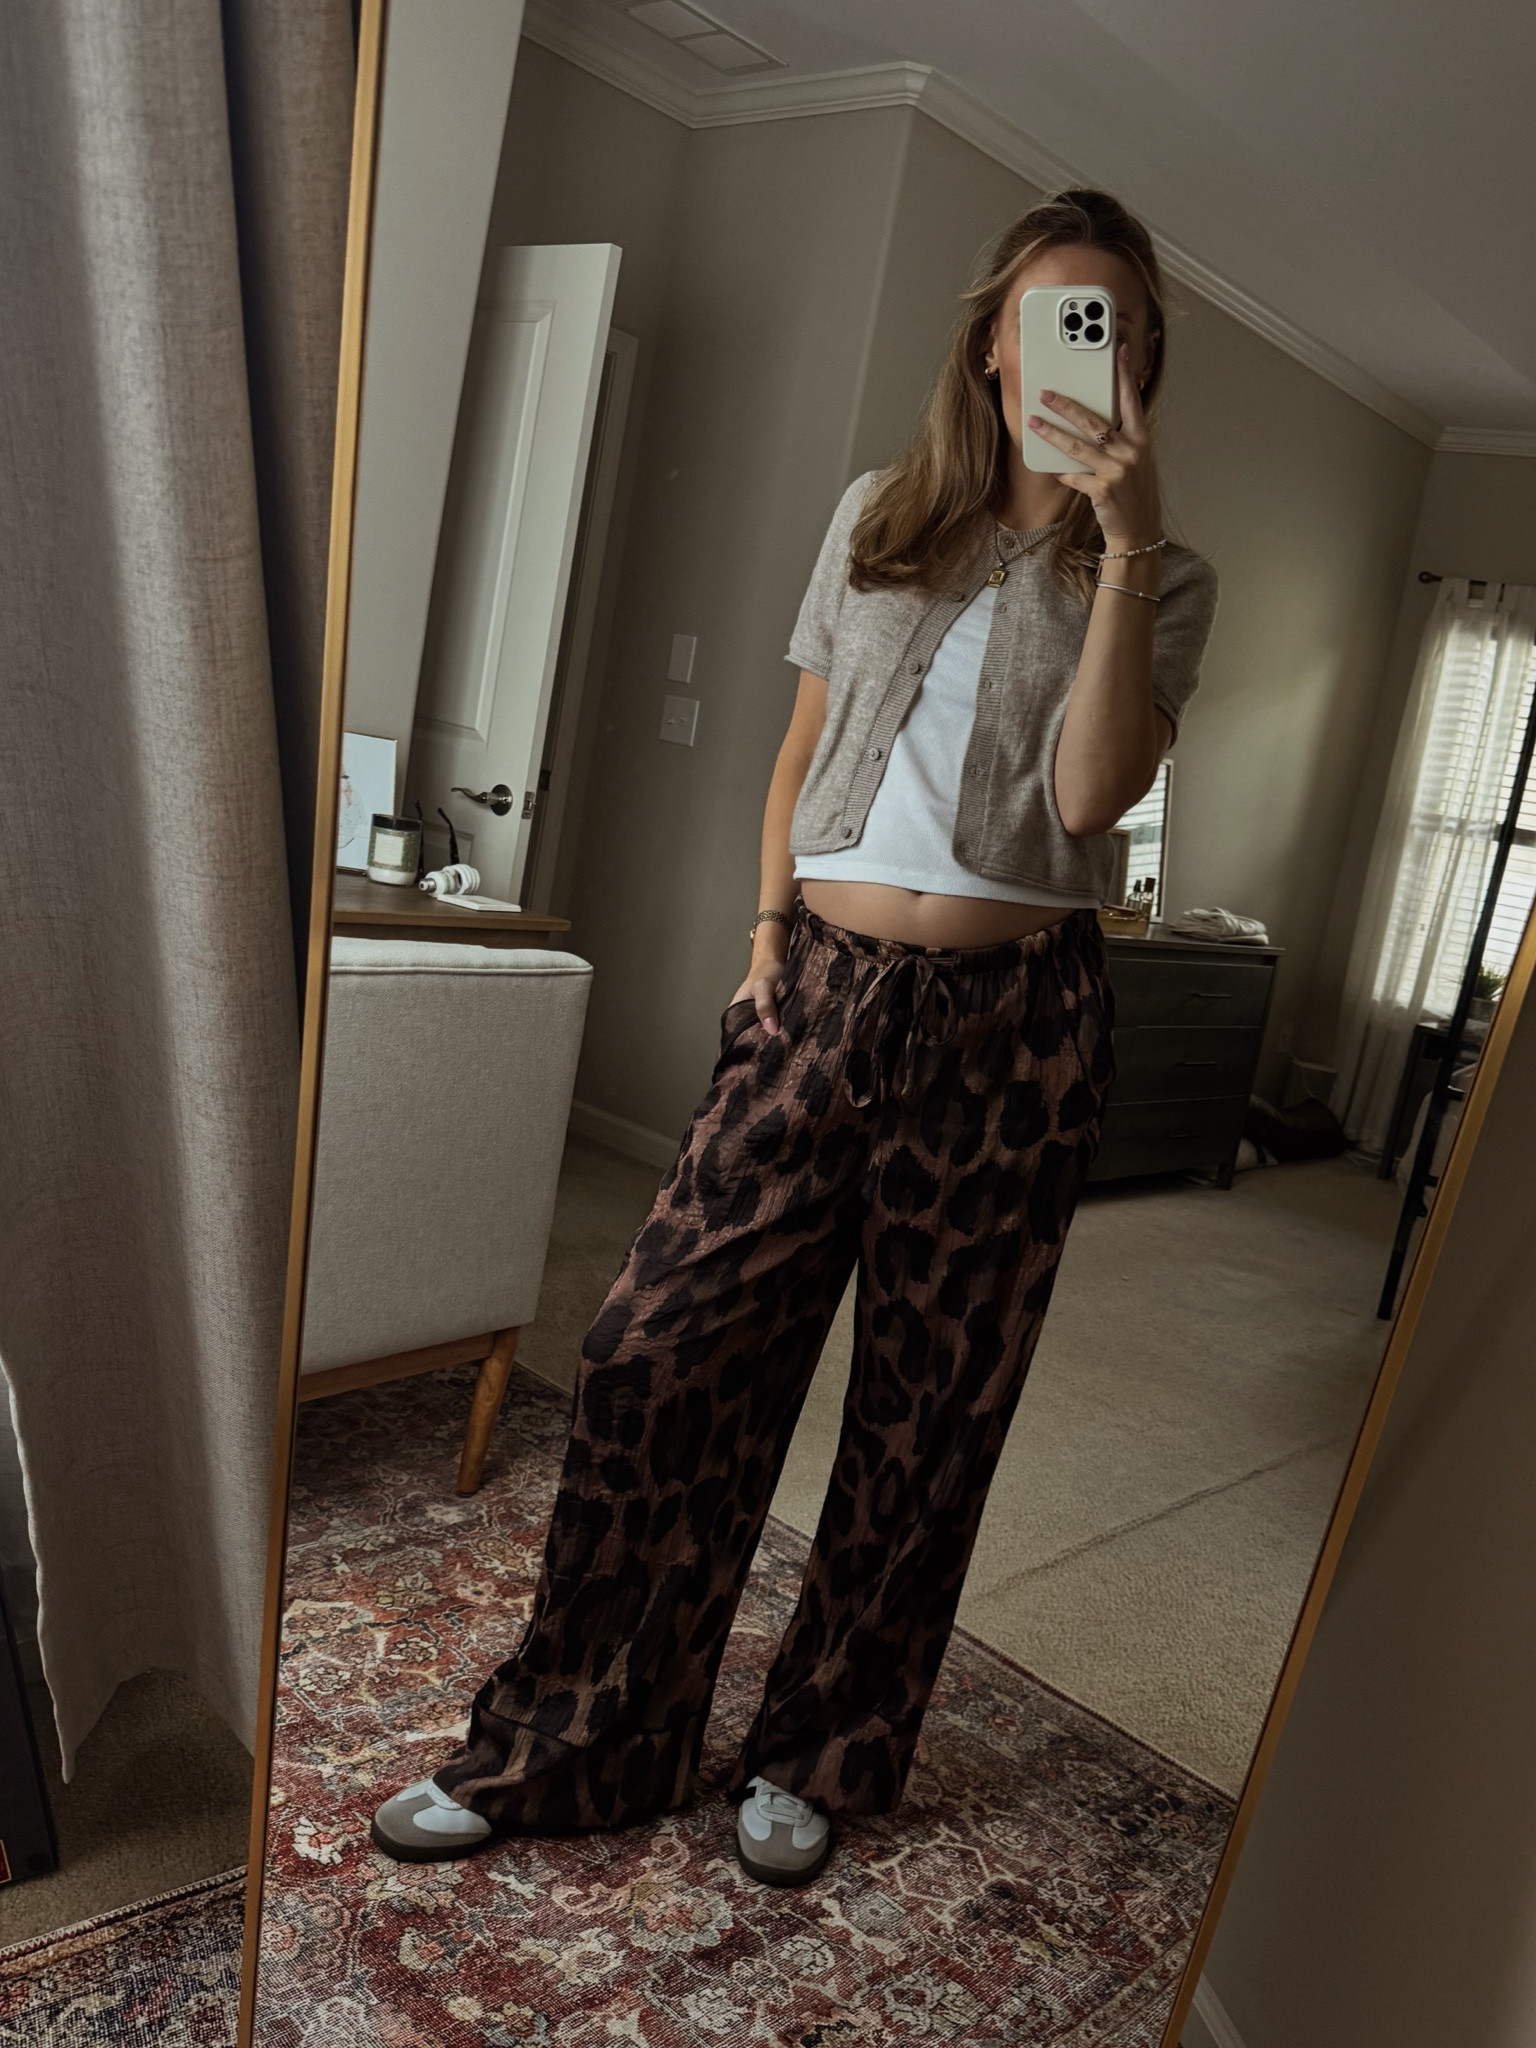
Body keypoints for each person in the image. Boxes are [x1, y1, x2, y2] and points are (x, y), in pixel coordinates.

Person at [370, 187, 1218, 1886]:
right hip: (817, 993)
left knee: (928, 1416)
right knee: (653, 1355)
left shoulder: (1168, 577)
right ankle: (576, 1741)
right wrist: (765, 941)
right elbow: (798, 752)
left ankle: (820, 1751)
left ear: (1141, 366)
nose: (1088, 349)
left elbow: (1088, 799)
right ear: (993, 345)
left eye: (1118, 328)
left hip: (1016, 1035)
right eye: (1060, 317)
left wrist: (1122, 543)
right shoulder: (877, 516)